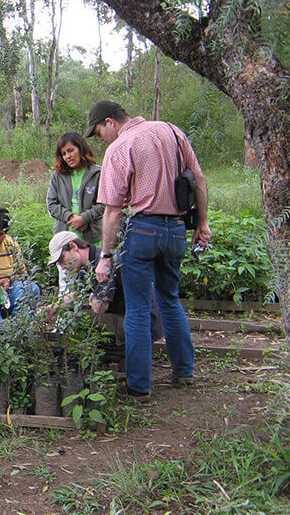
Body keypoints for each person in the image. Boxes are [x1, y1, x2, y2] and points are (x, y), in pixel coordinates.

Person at [85, 100, 212, 401]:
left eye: (98, 132)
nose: (100, 139)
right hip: (177, 231)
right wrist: (203, 223)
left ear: (110, 122)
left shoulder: (119, 148)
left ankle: (139, 386)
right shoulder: (172, 131)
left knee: (139, 309)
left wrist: (104, 256)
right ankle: (184, 371)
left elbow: (113, 212)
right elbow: (199, 180)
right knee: (170, 299)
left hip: (142, 231)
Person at [47, 231, 163, 359]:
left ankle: (116, 354)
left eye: (62, 260)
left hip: (142, 324)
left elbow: (99, 307)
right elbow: (76, 297)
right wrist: (50, 309)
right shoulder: (86, 265)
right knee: (73, 311)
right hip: (124, 317)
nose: (62, 267)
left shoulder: (104, 263)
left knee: (77, 318)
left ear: (73, 246)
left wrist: (92, 299)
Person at [46, 132, 105, 296]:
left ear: (81, 149)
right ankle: (64, 321)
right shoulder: (58, 176)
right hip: (66, 237)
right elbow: (52, 204)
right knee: (67, 288)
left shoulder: (97, 174)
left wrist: (85, 218)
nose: (67, 156)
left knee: (95, 286)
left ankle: (94, 320)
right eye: (63, 153)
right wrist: (71, 218)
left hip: (92, 237)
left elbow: (105, 203)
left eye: (71, 150)